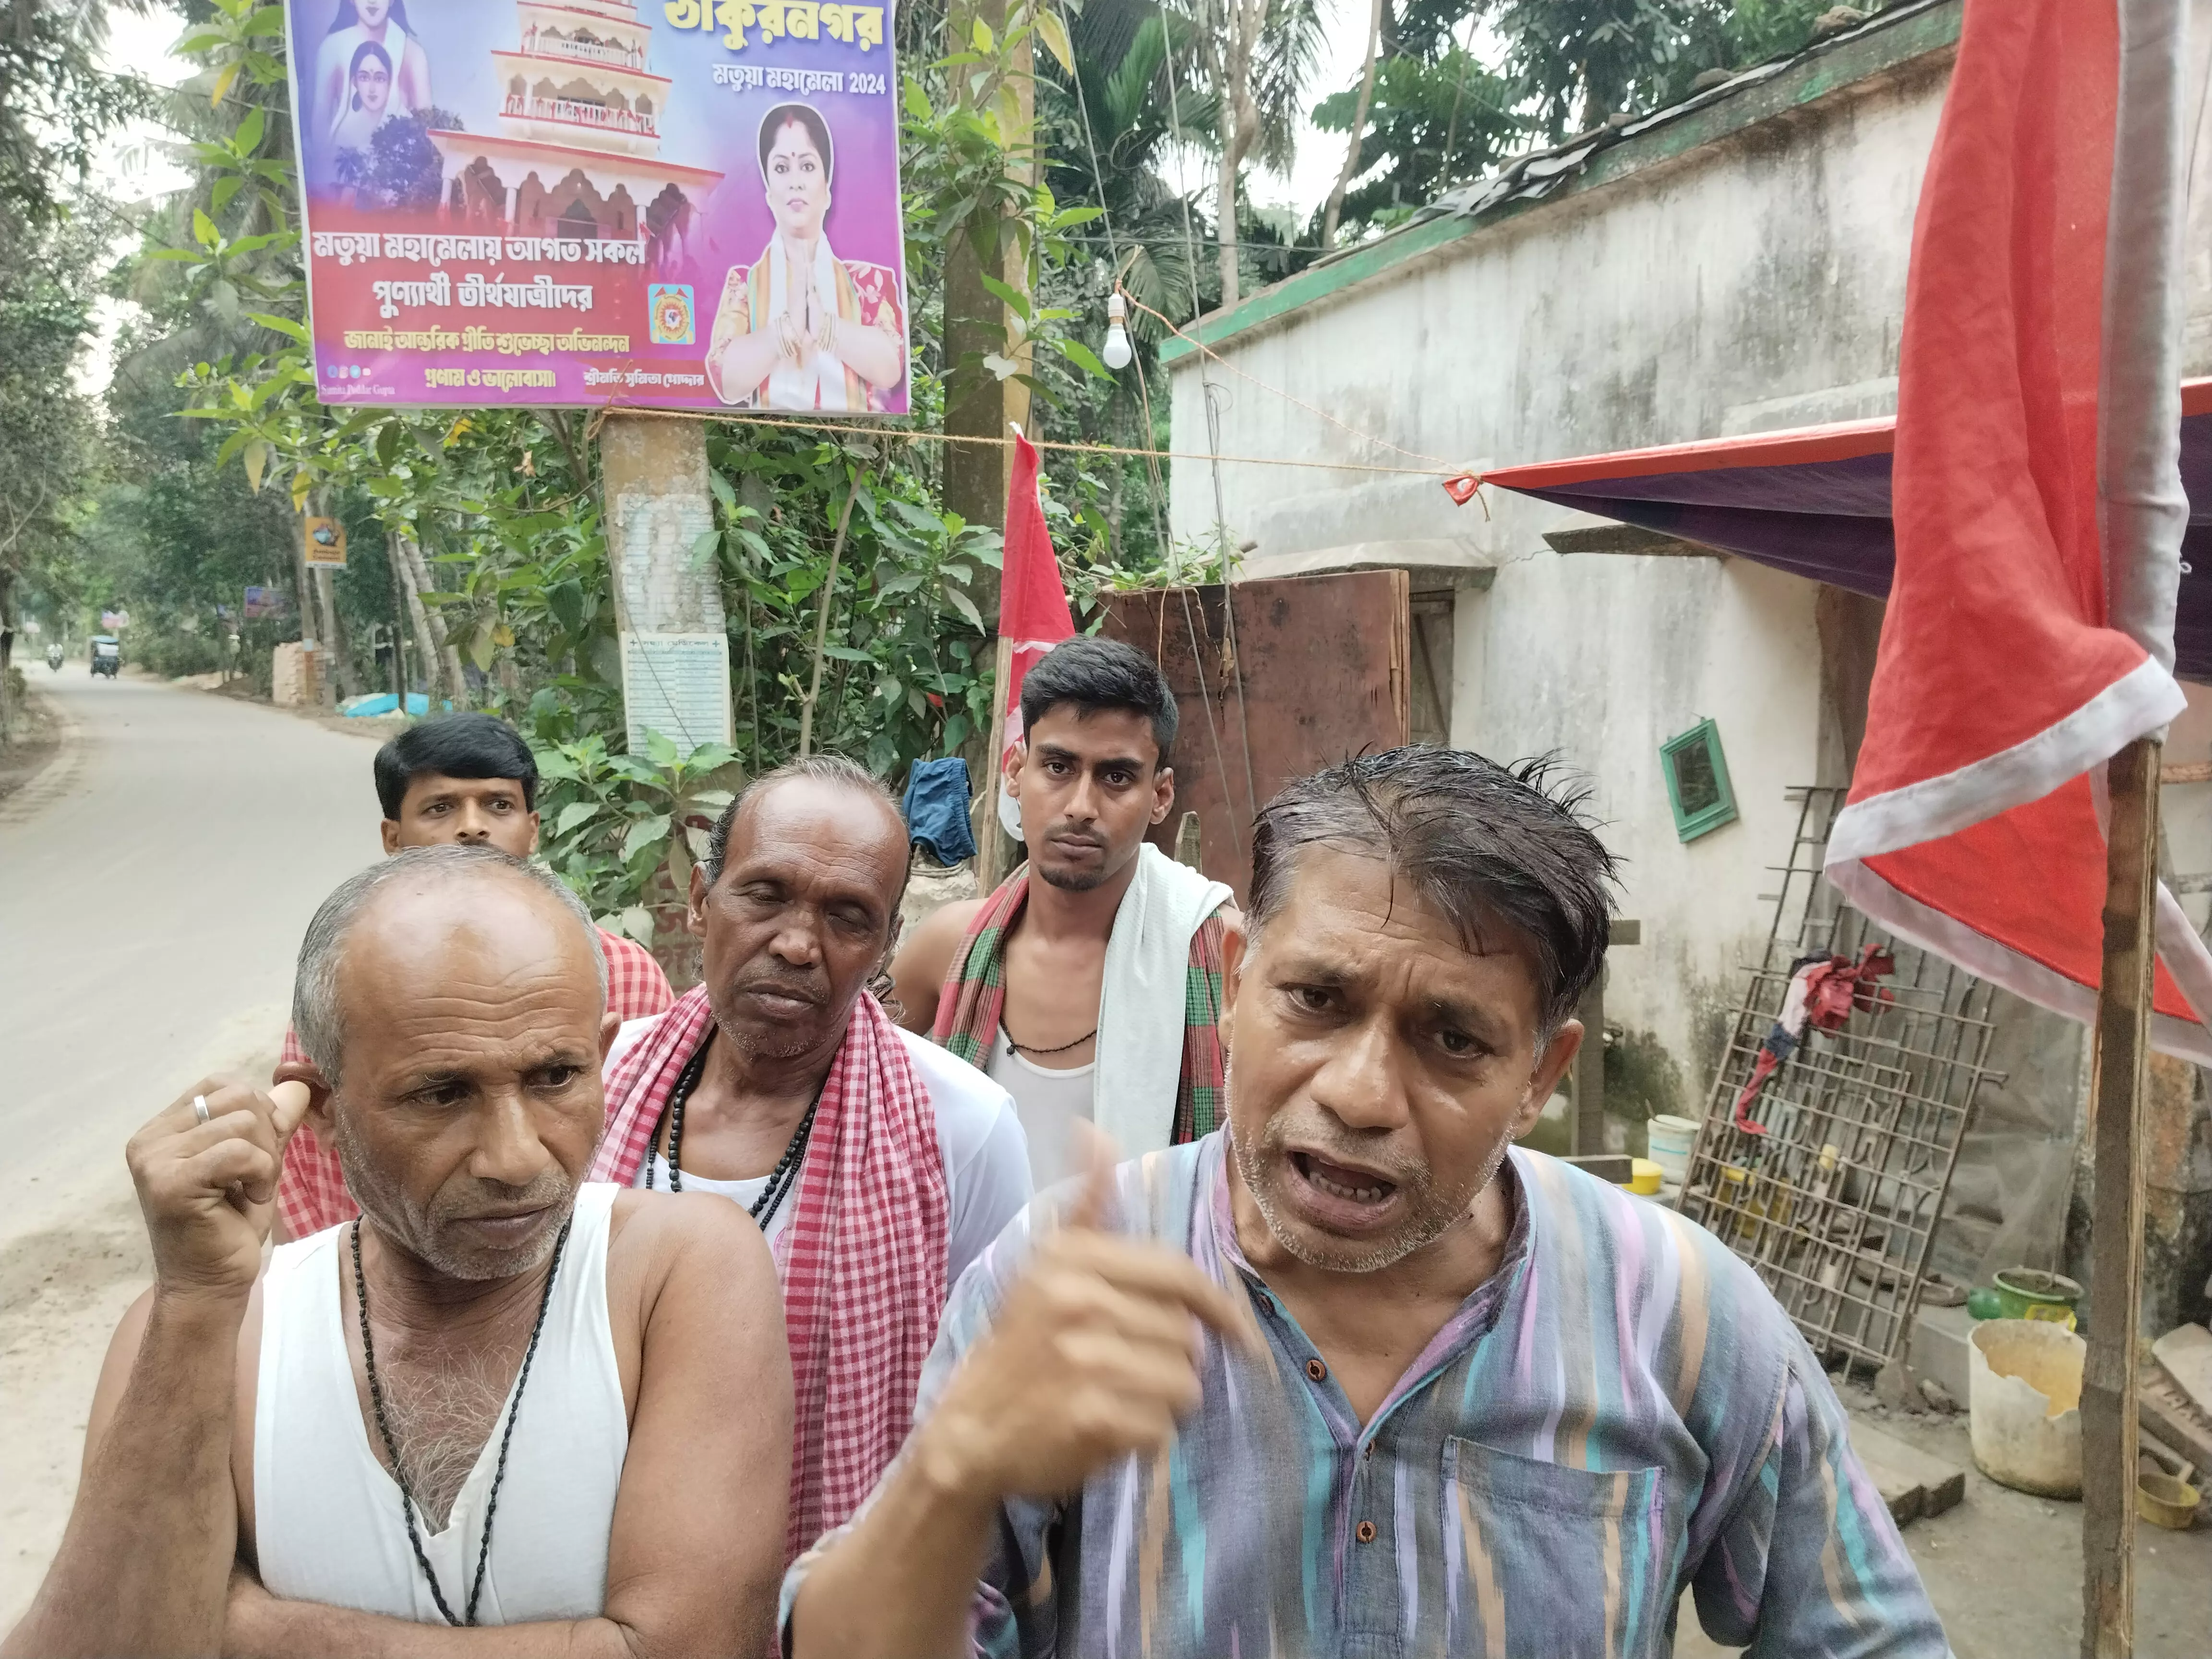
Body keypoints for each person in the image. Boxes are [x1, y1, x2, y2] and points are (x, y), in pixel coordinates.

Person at [785, 748, 1951, 1658]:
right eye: (1317, 997)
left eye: (1453, 1037)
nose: (1359, 1091)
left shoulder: (1684, 1314)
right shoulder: (1065, 1277)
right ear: (1236, 978)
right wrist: (953, 1473)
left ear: (1542, 1076)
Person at [3, 846, 791, 1659]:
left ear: (603, 1053)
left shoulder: (677, 1271)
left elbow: (688, 1649)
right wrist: (198, 1301)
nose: (515, 1158)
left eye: (555, 1076)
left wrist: (237, 1626)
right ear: (322, 1109)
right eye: (441, 1093)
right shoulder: (221, 1332)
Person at [591, 754, 1030, 1561]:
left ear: (886, 943)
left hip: (835, 1594)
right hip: (599, 1559)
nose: (796, 944)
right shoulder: (602, 1083)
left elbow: (992, 1403)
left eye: (847, 916)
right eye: (764, 895)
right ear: (700, 901)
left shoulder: (961, 1127)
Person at [276, 713, 675, 1240]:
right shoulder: (353, 990)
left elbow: (652, 1145)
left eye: (498, 804)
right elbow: (316, 1180)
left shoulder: (627, 974)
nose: (471, 827)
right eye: (441, 807)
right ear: (393, 837)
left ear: (532, 831)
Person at [894, 637, 1239, 1189]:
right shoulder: (947, 948)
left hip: (1148, 1273)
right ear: (1015, 770)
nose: (1081, 806)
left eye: (1117, 777)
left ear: (1162, 796)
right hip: (968, 1276)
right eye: (1058, 766)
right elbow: (851, 1087)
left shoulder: (1222, 955)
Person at [705, 103, 905, 410]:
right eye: (782, 168)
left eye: (808, 166)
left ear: (827, 189)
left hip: (854, 444)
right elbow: (728, 382)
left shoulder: (867, 282)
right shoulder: (745, 285)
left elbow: (891, 369)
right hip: (766, 442)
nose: (795, 181)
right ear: (769, 193)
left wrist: (827, 326)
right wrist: (787, 330)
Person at [314, 0, 430, 143]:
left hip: (400, 158)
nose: (372, 1)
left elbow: (427, 129)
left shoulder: (413, 54)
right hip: (345, 157)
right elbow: (319, 129)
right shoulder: (331, 49)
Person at [329, 40, 396, 156]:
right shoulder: (344, 135)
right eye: (364, 78)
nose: (372, 89)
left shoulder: (401, 128)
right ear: (355, 82)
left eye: (379, 79)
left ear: (389, 82)